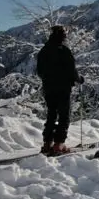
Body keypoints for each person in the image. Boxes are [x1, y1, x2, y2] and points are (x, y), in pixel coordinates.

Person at [36, 25, 84, 155]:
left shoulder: (43, 51)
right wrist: (79, 79)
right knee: (64, 116)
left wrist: (48, 80)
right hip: (63, 88)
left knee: (51, 114)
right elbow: (72, 70)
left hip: (48, 88)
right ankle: (59, 144)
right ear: (62, 36)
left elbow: (39, 71)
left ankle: (47, 143)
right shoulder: (64, 51)